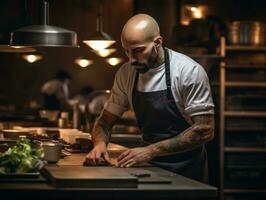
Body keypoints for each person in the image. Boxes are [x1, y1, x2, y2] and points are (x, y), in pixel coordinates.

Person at [86, 14, 215, 183]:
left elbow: (204, 130)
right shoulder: (126, 74)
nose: (131, 60)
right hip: (148, 167)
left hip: (188, 169)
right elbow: (104, 121)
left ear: (158, 42)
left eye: (138, 51)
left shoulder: (188, 72)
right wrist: (99, 144)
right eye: (127, 51)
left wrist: (150, 150)